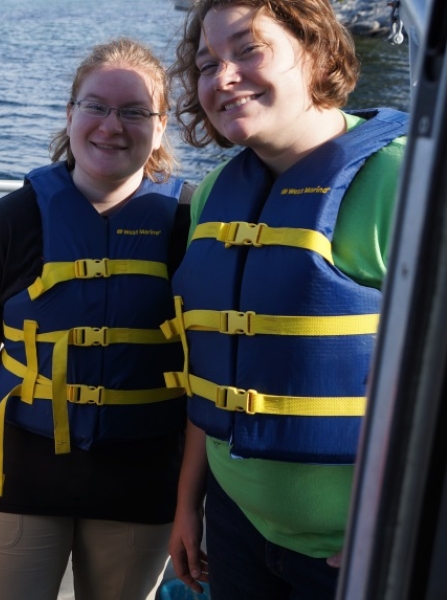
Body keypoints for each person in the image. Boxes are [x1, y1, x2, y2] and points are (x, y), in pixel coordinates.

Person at [0, 37, 191, 600]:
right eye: (95, 106)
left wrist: (192, 502)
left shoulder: (186, 228)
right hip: (15, 479)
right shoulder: (13, 221)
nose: (111, 126)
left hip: (142, 489)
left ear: (161, 126)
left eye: (135, 111)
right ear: (71, 116)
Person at [164, 1, 408, 598]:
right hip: (235, 529)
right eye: (205, 63)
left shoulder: (404, 182)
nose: (222, 77)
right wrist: (188, 506)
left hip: (353, 552)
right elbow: (214, 366)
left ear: (318, 50)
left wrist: (400, 527)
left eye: (248, 49)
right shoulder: (215, 195)